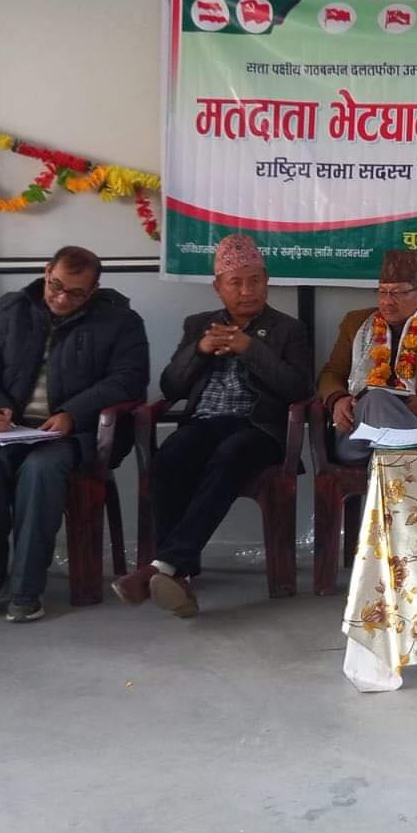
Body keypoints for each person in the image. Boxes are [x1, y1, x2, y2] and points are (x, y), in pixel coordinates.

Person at [110, 235, 311, 619]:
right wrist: (199, 351)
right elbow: (171, 387)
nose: (247, 291)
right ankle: (177, 575)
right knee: (170, 457)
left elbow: (298, 389)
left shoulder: (288, 330)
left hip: (258, 429)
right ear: (218, 287)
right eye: (236, 282)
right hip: (205, 422)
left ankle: (165, 567)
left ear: (267, 281)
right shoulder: (199, 325)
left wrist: (250, 349)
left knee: (231, 454)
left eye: (255, 281)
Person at [0, 246, 148, 623]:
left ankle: (26, 588)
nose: (61, 299)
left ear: (93, 291)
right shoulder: (11, 310)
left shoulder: (120, 321)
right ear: (46, 272)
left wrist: (73, 414)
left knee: (40, 470)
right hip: (12, 430)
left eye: (75, 293)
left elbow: (129, 380)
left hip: (72, 437)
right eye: (56, 286)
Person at [318, 248, 417, 462]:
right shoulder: (355, 323)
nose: (387, 301)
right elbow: (331, 372)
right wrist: (338, 399)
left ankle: (408, 451)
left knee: (379, 400)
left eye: (397, 293)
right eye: (382, 292)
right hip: (358, 437)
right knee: (376, 398)